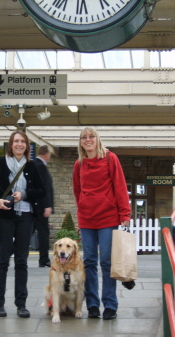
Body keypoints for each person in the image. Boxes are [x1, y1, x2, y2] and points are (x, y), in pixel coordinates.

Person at [0, 130, 45, 318]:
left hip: (25, 217)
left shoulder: (31, 166)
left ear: (27, 146)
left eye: (23, 141)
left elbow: (42, 191)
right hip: (5, 217)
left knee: (22, 261)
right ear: (10, 144)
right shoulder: (0, 163)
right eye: (16, 141)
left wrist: (24, 194)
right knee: (2, 261)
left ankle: (21, 304)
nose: (19, 144)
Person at [72, 127, 130, 320]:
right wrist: (81, 214)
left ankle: (111, 305)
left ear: (97, 139)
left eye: (91, 137)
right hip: (87, 219)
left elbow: (120, 186)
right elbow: (78, 192)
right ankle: (93, 305)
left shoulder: (110, 158)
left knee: (106, 262)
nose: (88, 140)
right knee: (89, 262)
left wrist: (125, 214)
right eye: (84, 137)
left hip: (108, 218)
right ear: (80, 142)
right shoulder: (78, 165)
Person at [33, 145, 54, 268]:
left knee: (26, 233)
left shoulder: (32, 164)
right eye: (50, 155)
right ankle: (44, 259)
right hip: (40, 207)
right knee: (43, 234)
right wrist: (47, 205)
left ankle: (13, 254)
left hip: (31, 206)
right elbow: (45, 188)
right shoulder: (41, 166)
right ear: (46, 154)